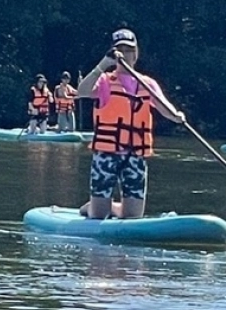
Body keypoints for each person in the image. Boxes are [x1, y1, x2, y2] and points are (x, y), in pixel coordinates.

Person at [78, 28, 186, 220]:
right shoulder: (105, 81)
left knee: (133, 215)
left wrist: (177, 116)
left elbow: (164, 107)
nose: (125, 54)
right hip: (106, 154)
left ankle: (110, 206)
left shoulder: (147, 83)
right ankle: (92, 207)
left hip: (135, 155)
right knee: (98, 215)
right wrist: (104, 63)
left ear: (136, 54)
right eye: (120, 50)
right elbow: (82, 91)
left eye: (129, 50)